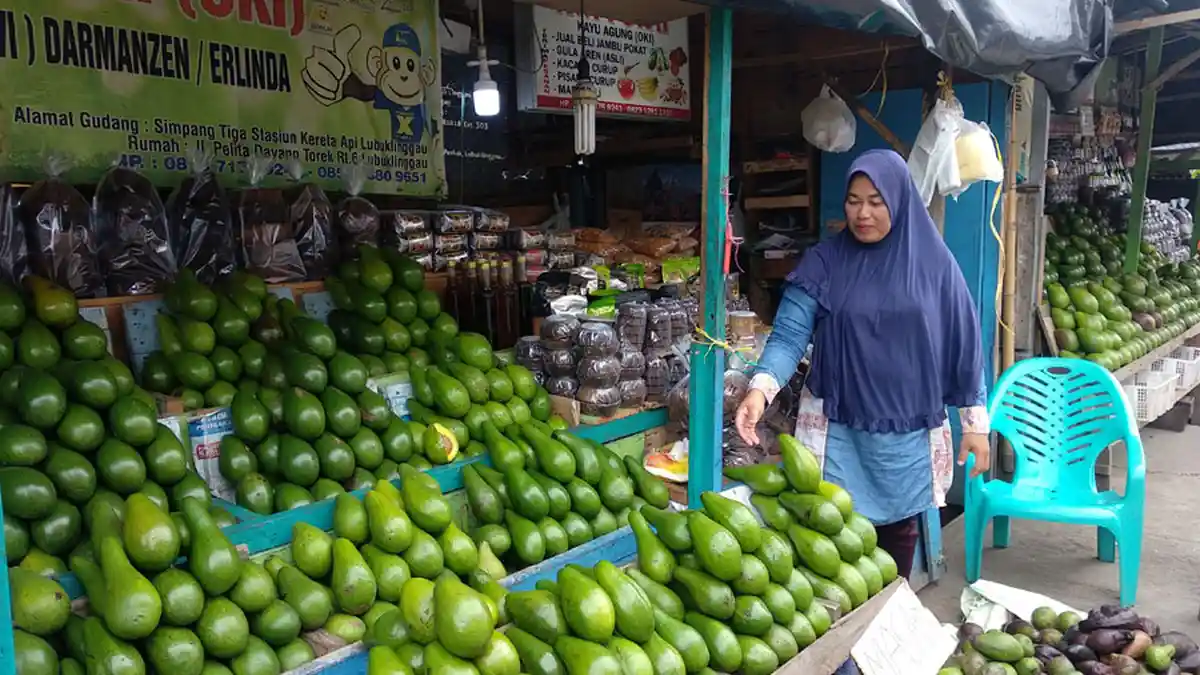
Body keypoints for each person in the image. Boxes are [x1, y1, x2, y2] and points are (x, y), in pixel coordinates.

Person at [734, 149, 991, 580]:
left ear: (900, 199)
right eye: (854, 200)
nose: (863, 213)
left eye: (876, 201)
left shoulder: (934, 265)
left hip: (906, 435)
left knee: (897, 540)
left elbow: (963, 343)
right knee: (832, 538)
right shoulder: (825, 262)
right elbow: (790, 334)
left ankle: (887, 626)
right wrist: (760, 389)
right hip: (838, 430)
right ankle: (841, 640)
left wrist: (976, 425)